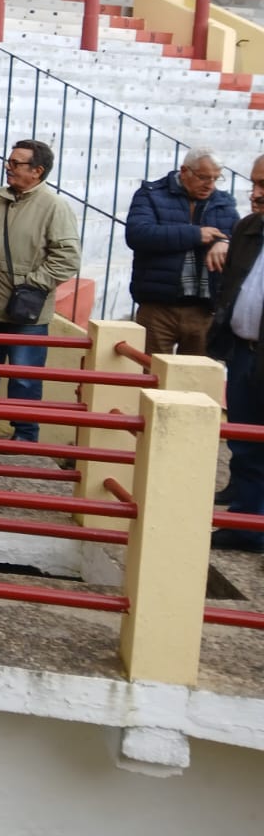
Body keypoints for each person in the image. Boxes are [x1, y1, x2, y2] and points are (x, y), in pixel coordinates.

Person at [0, 140, 82, 442]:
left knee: (25, 375)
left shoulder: (54, 206)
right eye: (9, 161)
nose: (8, 167)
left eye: (16, 163)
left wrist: (32, 283)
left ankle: (26, 433)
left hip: (26, 309)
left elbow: (67, 258)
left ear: (37, 170)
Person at [125, 147, 237, 356]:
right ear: (184, 171)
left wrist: (225, 242)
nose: (210, 185)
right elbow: (137, 234)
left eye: (216, 178)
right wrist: (195, 235)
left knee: (195, 374)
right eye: (203, 177)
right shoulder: (151, 194)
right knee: (151, 372)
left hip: (203, 310)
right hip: (158, 307)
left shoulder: (223, 202)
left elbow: (238, 237)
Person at [205, 153, 264, 551]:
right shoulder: (246, 228)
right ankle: (246, 525)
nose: (255, 193)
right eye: (254, 184)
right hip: (243, 352)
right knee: (243, 444)